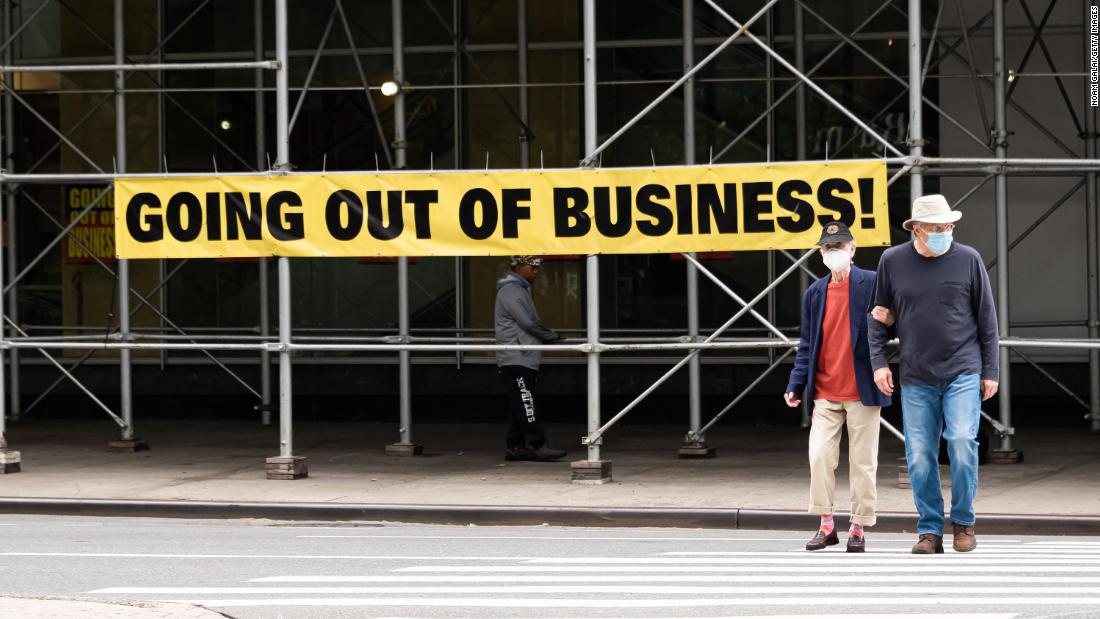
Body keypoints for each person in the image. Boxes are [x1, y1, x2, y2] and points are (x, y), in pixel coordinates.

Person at [868, 194, 999, 554]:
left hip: (963, 368)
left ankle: (964, 523)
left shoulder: (968, 259)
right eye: (937, 227)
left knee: (961, 441)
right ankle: (929, 530)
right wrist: (879, 362)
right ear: (917, 229)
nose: (945, 232)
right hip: (916, 373)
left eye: (948, 226)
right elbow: (877, 316)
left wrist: (991, 370)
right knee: (920, 455)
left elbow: (987, 318)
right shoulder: (892, 261)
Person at [784, 221, 890, 553]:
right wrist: (796, 383)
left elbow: (892, 325)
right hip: (825, 391)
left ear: (853, 249)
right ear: (820, 252)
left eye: (839, 246)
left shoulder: (872, 283)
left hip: (862, 390)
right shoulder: (815, 293)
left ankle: (858, 527)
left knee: (863, 463)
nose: (834, 252)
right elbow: (807, 344)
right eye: (828, 248)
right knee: (819, 457)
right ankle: (826, 524)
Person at [495, 256, 568, 462]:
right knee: (526, 401)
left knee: (518, 403)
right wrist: (551, 336)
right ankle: (538, 444)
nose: (536, 271)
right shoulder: (512, 291)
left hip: (521, 356)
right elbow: (528, 322)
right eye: (532, 267)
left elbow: (529, 322)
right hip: (517, 356)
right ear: (517, 267)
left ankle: (515, 446)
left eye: (537, 267)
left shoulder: (518, 290)